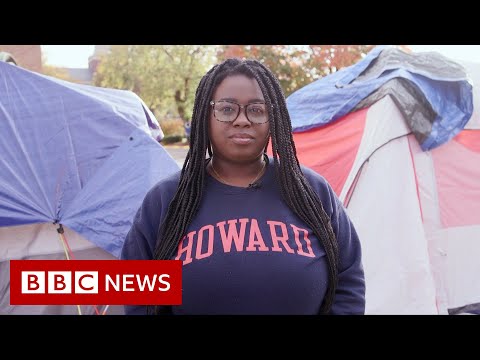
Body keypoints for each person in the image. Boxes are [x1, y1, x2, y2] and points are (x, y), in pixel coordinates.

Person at [121, 58, 365, 315]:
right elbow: (137, 296)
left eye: (257, 110)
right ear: (206, 114)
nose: (242, 120)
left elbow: (348, 279)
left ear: (273, 118)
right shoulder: (166, 199)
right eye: (227, 109)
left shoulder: (311, 191)